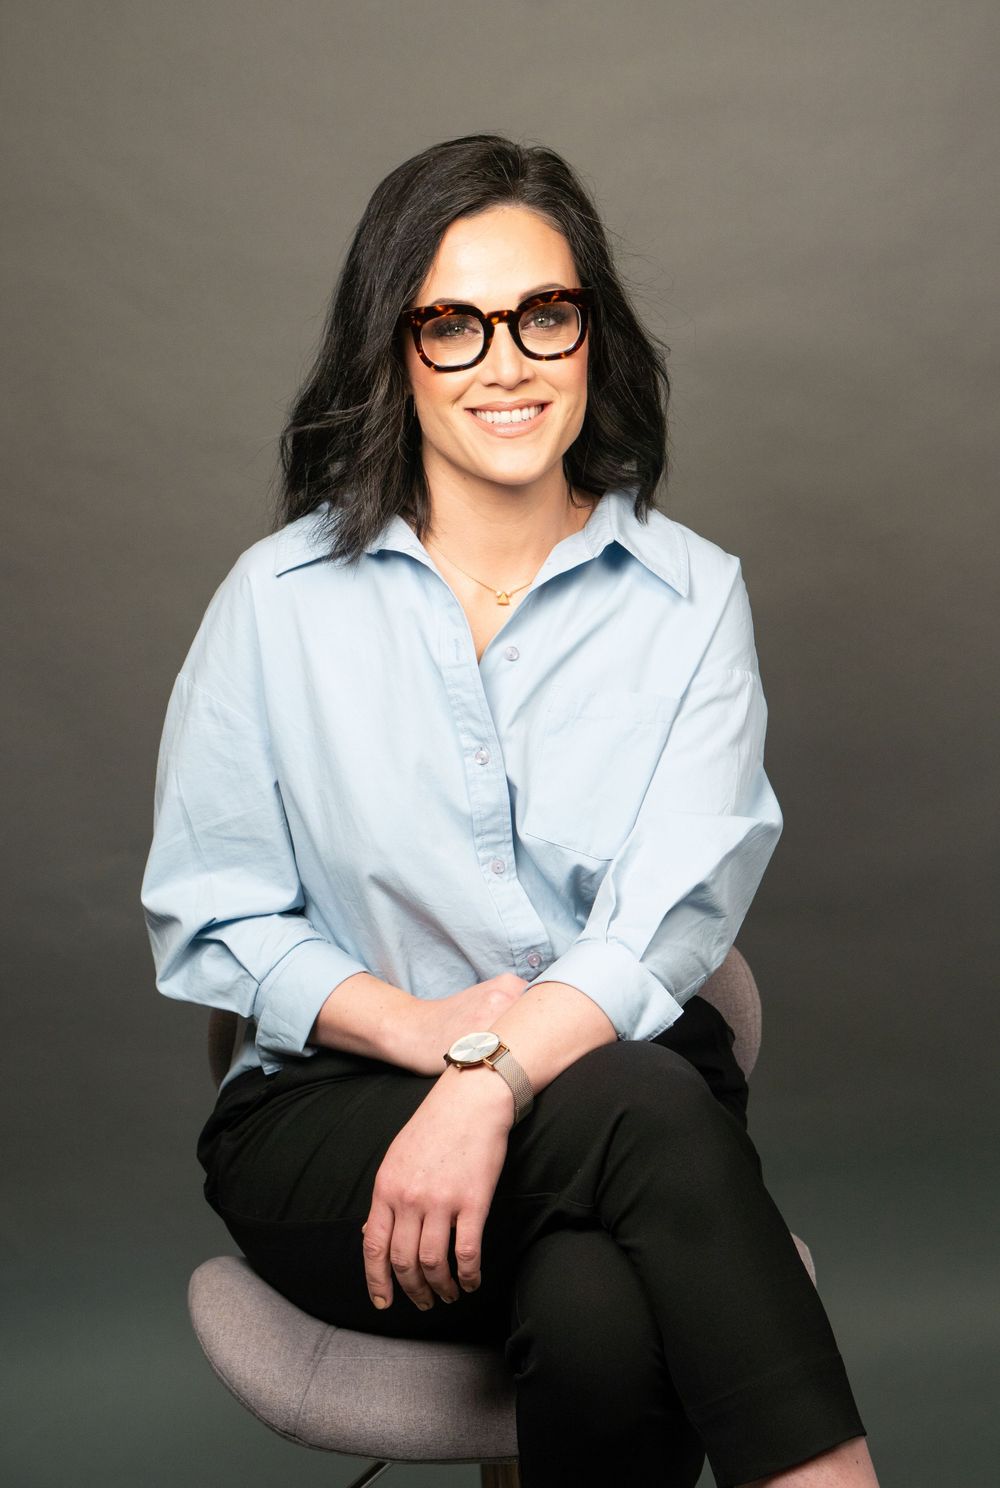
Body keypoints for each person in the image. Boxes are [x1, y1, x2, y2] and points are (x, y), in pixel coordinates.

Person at [140, 134, 878, 1488]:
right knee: (650, 1130)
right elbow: (215, 909)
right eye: (452, 325)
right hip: (336, 1114)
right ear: (392, 350)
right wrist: (425, 1036)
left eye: (545, 313)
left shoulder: (692, 597)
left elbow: (673, 916)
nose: (507, 361)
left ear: (591, 332)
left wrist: (493, 1084)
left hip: (620, 1084)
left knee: (599, 1301)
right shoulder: (276, 601)